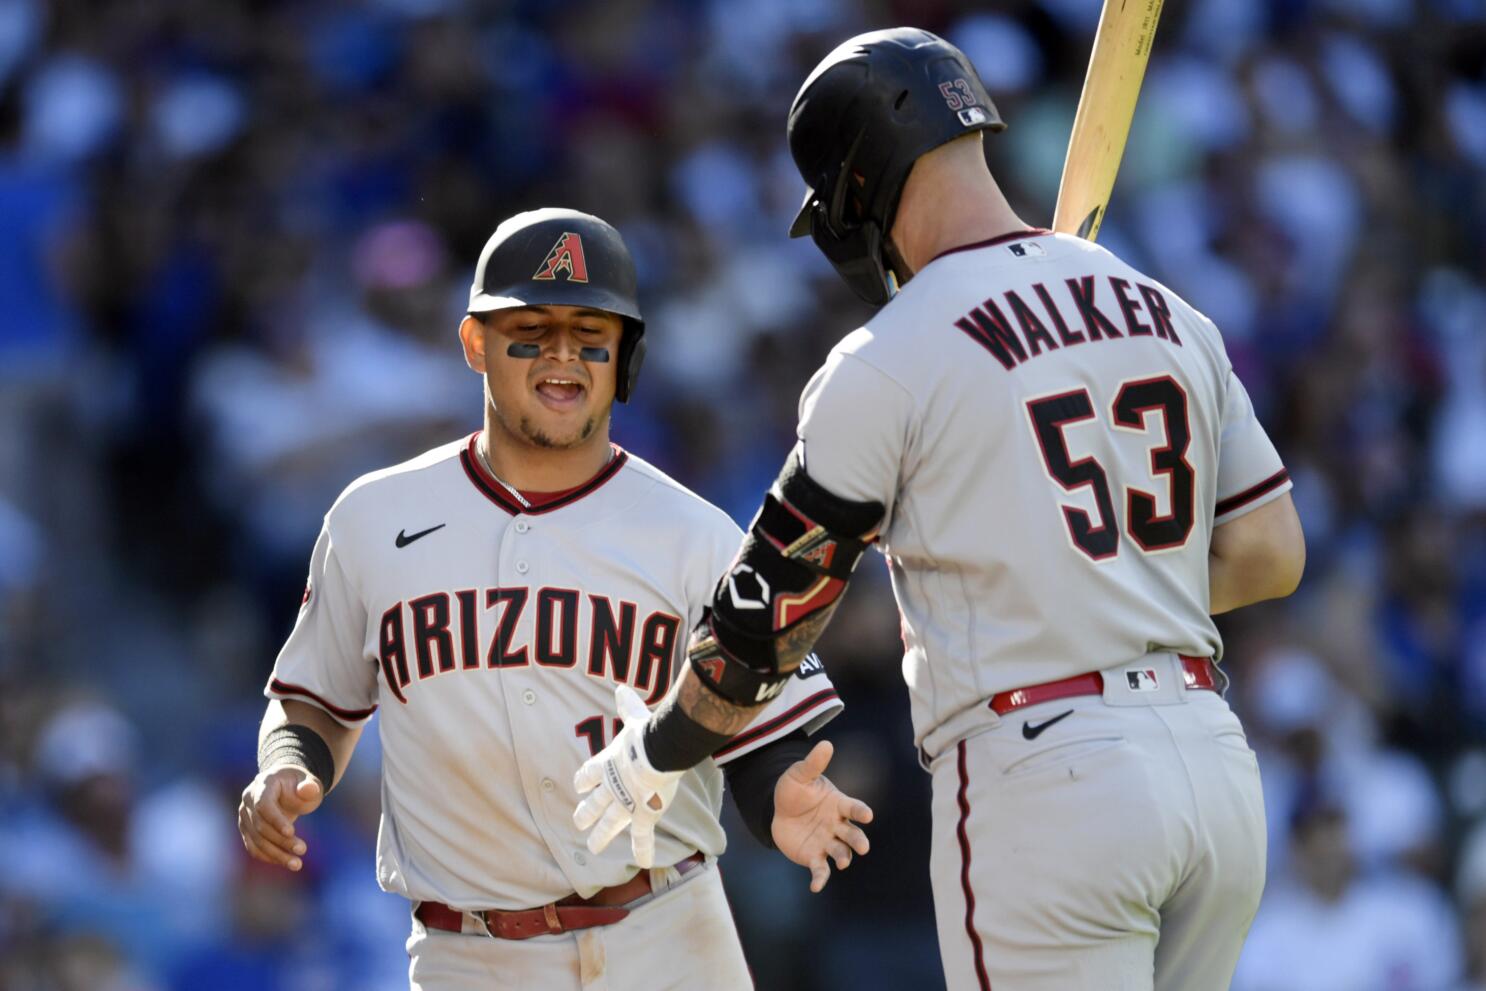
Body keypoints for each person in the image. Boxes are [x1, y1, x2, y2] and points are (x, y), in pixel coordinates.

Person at [573, 28, 1306, 991]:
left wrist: (663, 746)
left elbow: (766, 620)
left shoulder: (889, 356)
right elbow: (1269, 551)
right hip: (1214, 770)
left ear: (859, 185)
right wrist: (1104, 580)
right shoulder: (1167, 310)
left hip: (1048, 775)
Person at [236, 207, 871, 991]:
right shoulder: (371, 519)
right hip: (470, 956)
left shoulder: (693, 532)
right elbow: (316, 701)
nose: (561, 356)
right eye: (530, 330)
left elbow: (745, 719)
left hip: (668, 937)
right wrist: (286, 765)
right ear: (476, 344)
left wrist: (780, 791)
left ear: (624, 356)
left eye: (589, 333)